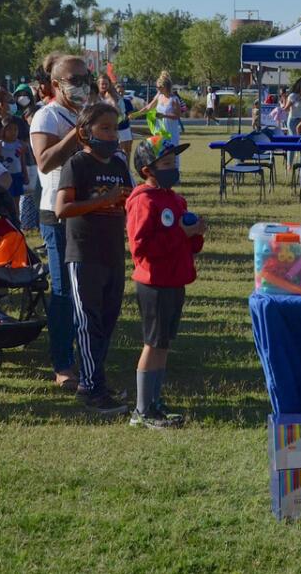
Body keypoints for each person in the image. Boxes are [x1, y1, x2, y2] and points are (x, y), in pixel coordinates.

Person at [55, 102, 132, 414]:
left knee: (106, 321)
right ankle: (93, 392)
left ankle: (92, 380)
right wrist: (103, 199)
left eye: (115, 128)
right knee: (88, 322)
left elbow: (128, 201)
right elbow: (62, 209)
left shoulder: (118, 164)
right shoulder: (77, 164)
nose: (112, 135)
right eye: (105, 128)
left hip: (113, 251)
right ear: (85, 133)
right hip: (84, 253)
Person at [126, 135, 206, 428]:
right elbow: (141, 247)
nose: (174, 168)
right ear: (148, 169)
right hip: (154, 282)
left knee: (163, 344)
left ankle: (155, 403)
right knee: (152, 343)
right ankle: (142, 410)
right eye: (167, 163)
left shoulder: (174, 199)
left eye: (175, 162)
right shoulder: (143, 201)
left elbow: (188, 245)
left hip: (175, 280)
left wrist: (195, 232)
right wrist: (180, 235)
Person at [30, 54, 90, 390]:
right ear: (56, 84)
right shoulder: (46, 116)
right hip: (58, 213)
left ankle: (88, 354)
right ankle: (63, 363)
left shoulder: (89, 110)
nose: (82, 85)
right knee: (64, 290)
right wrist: (78, 134)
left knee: (89, 288)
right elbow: (45, 162)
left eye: (85, 78)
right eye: (74, 79)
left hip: (91, 208)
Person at [97, 74, 133, 158]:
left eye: (106, 84)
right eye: (102, 84)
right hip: (100, 129)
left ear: (109, 84)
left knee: (121, 150)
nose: (104, 86)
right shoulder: (95, 97)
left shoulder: (114, 96)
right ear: (98, 84)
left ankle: (125, 169)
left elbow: (120, 114)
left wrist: (112, 100)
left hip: (117, 127)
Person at [0, 116, 29, 215]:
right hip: (4, 176)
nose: (13, 132)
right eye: (9, 129)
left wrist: (25, 175)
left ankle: (17, 221)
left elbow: (22, 161)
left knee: (16, 200)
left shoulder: (20, 145)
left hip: (17, 175)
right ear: (3, 130)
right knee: (6, 200)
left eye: (15, 129)